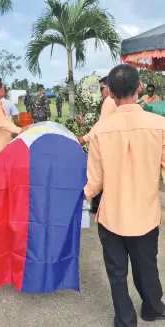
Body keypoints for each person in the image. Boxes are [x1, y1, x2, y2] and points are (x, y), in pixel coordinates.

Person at [84, 64, 165, 327]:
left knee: (117, 273)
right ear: (139, 88)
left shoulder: (99, 131)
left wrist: (80, 196)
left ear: (111, 94)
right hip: (146, 213)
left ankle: (126, 320)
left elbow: (94, 183)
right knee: (147, 265)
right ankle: (152, 308)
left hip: (112, 216)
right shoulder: (160, 125)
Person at [78, 76, 117, 214]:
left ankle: (96, 205)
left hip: (105, 144)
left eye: (102, 88)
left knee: (98, 173)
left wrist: (84, 138)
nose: (100, 92)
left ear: (109, 88)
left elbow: (101, 126)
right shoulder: (114, 101)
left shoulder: (109, 101)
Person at [0, 77, 29, 163]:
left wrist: (20, 129)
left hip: (0, 147)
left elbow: (6, 121)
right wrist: (19, 130)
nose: (5, 89)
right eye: (4, 87)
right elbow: (0, 122)